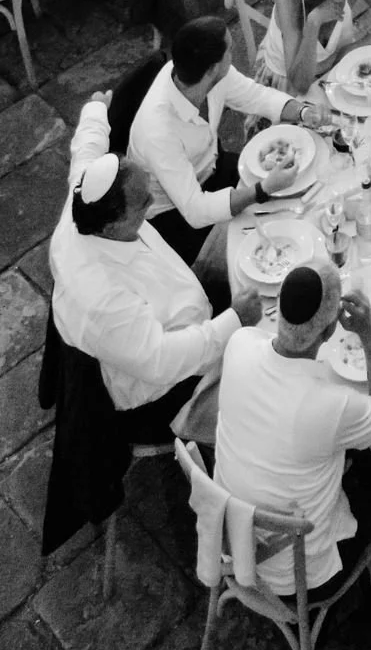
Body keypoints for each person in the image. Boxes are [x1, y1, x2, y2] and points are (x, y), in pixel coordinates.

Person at [49, 95, 256, 440]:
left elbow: (86, 148)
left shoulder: (85, 192)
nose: (151, 203)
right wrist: (234, 320)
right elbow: (162, 360)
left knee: (242, 232)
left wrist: (96, 107)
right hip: (171, 388)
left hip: (188, 310)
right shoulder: (103, 302)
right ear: (113, 225)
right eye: (144, 202)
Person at [214, 263, 371, 597]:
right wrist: (369, 332)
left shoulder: (240, 342)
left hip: (233, 536)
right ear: (330, 331)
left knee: (340, 450)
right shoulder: (328, 406)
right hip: (299, 577)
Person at [125, 14, 323, 270]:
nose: (234, 52)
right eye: (230, 49)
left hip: (214, 167)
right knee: (262, 255)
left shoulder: (200, 74)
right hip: (175, 217)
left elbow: (255, 95)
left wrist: (302, 111)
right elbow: (195, 210)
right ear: (212, 69)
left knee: (299, 199)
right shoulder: (158, 131)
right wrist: (261, 190)